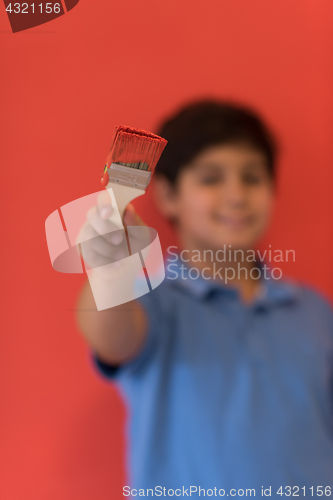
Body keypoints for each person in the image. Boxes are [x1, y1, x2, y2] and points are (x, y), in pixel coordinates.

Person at [75, 100, 333, 498]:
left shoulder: (314, 311)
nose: (236, 195)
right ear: (167, 195)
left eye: (252, 177)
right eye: (211, 179)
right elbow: (112, 336)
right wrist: (111, 274)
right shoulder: (154, 302)